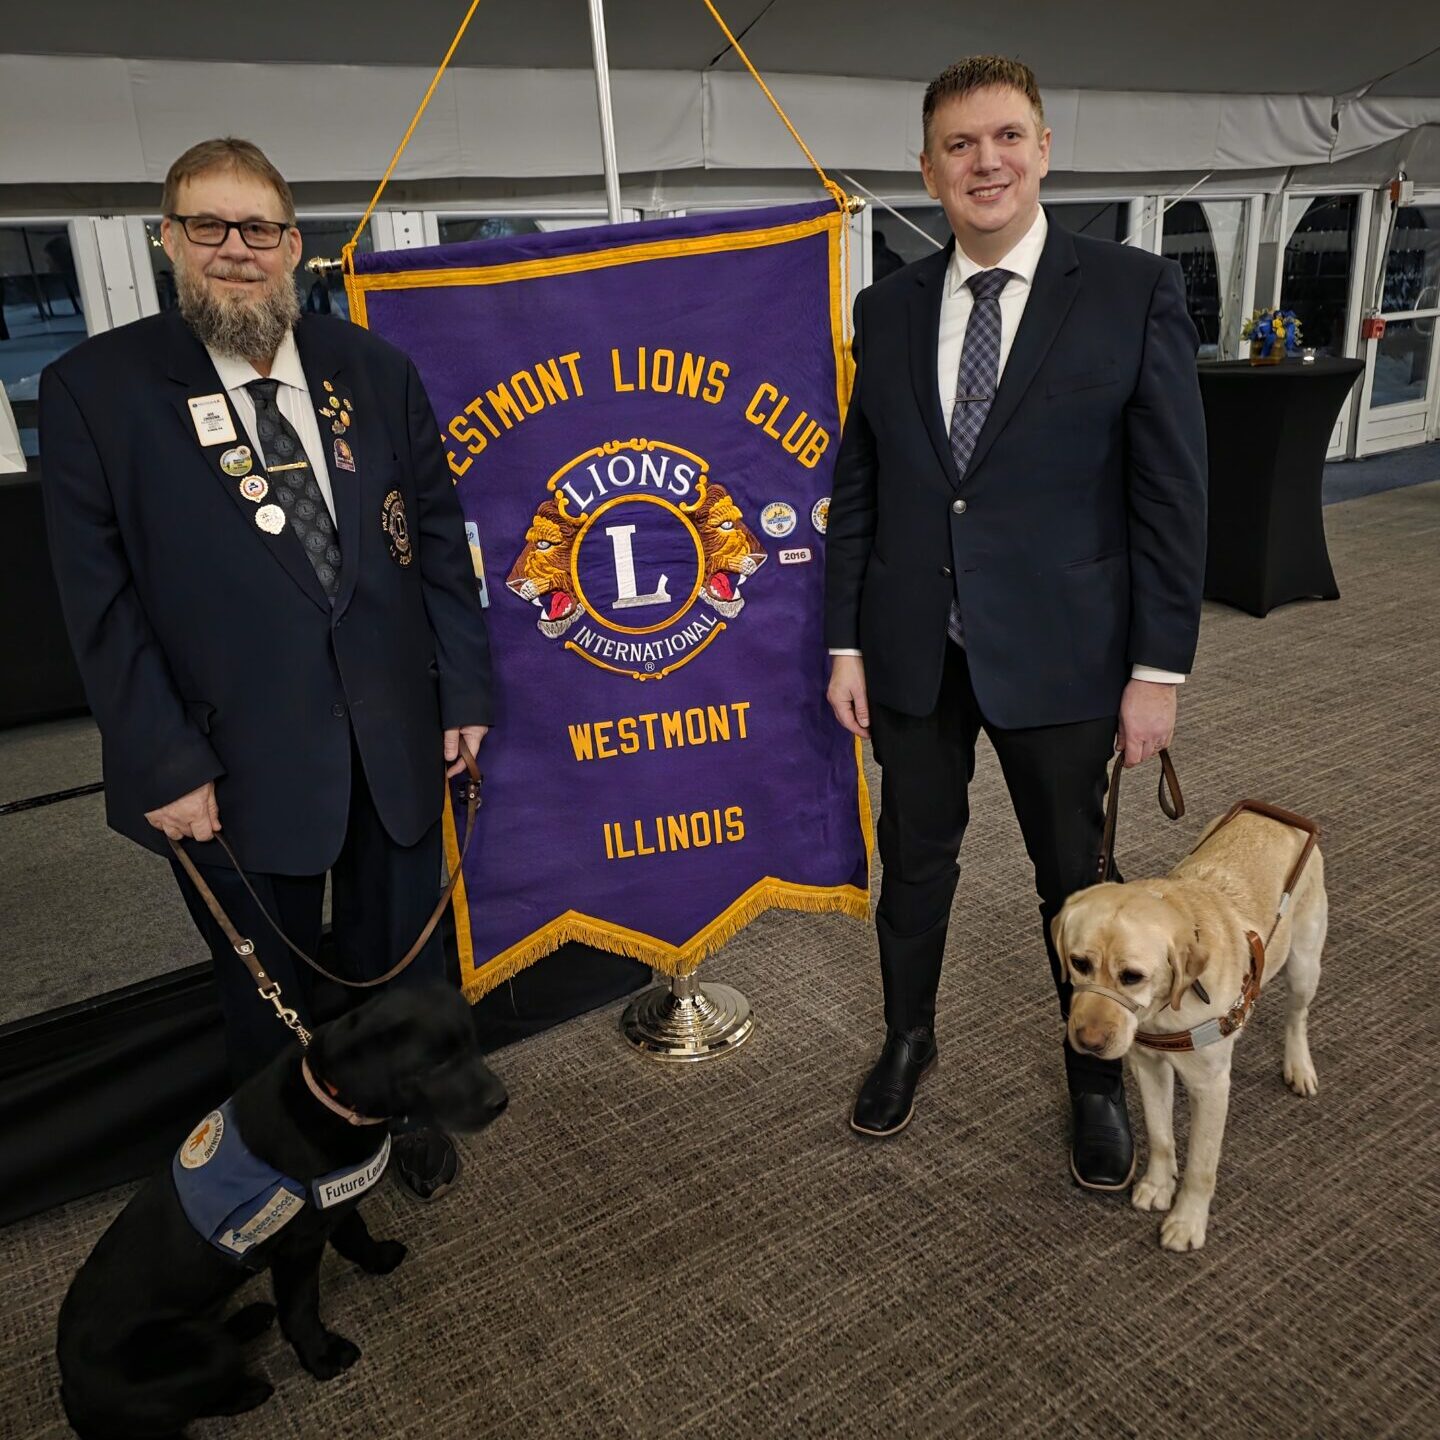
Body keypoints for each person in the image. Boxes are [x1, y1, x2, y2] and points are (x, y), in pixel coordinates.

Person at [40, 138, 493, 1201]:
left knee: (402, 972)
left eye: (260, 229)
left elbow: (437, 542)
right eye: (209, 226)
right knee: (267, 1000)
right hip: (228, 766)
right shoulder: (95, 392)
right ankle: (288, 1172)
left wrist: (463, 695)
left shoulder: (372, 373)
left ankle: (407, 1116)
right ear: (168, 240)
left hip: (393, 742)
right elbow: (97, 606)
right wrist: (161, 763)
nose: (235, 250)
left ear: (295, 246)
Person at [824, 57, 1206, 1189]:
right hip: (911, 653)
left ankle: (1094, 1079)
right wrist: (845, 641)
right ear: (926, 168)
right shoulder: (885, 307)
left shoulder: (1131, 290)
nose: (983, 162)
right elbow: (863, 486)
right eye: (958, 144)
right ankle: (908, 1037)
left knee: (1072, 878)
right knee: (915, 867)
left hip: (1067, 654)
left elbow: (1172, 496)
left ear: (1042, 150)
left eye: (1005, 138)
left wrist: (1158, 670)